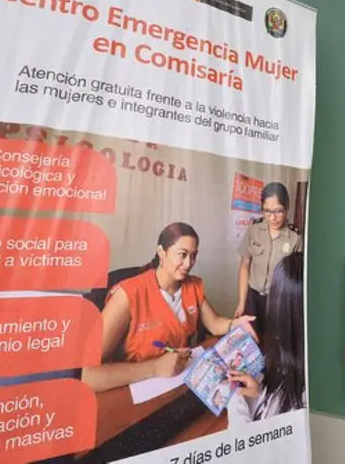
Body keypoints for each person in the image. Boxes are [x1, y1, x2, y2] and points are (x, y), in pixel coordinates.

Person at [82, 222, 254, 392]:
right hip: (133, 389)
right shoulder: (128, 294)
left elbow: (214, 323)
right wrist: (155, 367)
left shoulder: (192, 286)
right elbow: (87, 375)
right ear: (161, 252)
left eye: (193, 255)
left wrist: (236, 324)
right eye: (182, 254)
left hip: (176, 382)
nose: (189, 264)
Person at [226, 251, 306, 427]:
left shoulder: (298, 398)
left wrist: (234, 400)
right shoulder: (296, 371)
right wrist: (260, 392)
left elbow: (249, 448)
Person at [234, 182, 302, 336]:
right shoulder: (254, 230)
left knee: (275, 342)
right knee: (251, 340)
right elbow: (245, 265)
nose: (272, 217)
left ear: (286, 208)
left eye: (278, 211)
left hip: (279, 301)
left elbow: (295, 280)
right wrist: (241, 302)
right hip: (253, 298)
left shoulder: (295, 238)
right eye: (267, 211)